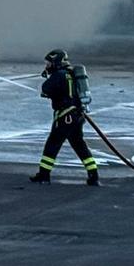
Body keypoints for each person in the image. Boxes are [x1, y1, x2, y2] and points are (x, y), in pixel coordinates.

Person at [30, 48, 100, 186]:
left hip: (65, 116)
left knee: (52, 144)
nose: (47, 66)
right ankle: (94, 175)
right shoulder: (72, 74)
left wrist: (48, 86)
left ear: (55, 62)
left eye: (49, 63)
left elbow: (46, 88)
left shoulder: (59, 75)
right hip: (77, 115)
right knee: (79, 145)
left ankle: (44, 176)